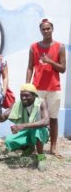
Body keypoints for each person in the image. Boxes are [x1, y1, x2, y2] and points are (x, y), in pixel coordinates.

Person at [26, 18, 66, 158]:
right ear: (40, 30)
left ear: (52, 29)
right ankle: (33, 147)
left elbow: (63, 69)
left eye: (48, 28)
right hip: (37, 88)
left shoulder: (60, 47)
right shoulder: (34, 47)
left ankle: (53, 147)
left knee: (53, 119)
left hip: (54, 88)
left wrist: (49, 61)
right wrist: (28, 86)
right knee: (35, 118)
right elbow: (30, 67)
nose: (46, 31)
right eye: (43, 29)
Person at [0, 83, 49, 171]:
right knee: (9, 141)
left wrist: (23, 126)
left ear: (34, 95)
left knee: (38, 130)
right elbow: (2, 118)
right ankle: (30, 148)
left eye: (27, 95)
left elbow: (46, 121)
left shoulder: (41, 102)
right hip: (27, 131)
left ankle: (41, 157)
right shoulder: (17, 104)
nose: (23, 98)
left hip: (41, 131)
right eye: (22, 95)